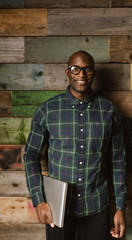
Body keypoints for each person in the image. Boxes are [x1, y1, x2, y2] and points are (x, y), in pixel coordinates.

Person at [24, 50, 126, 240]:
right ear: (67, 72)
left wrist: (120, 207)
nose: (81, 74)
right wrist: (38, 201)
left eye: (87, 69)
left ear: (94, 72)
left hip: (97, 206)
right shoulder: (47, 111)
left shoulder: (109, 111)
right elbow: (31, 155)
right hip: (57, 208)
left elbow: (118, 159)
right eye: (75, 69)